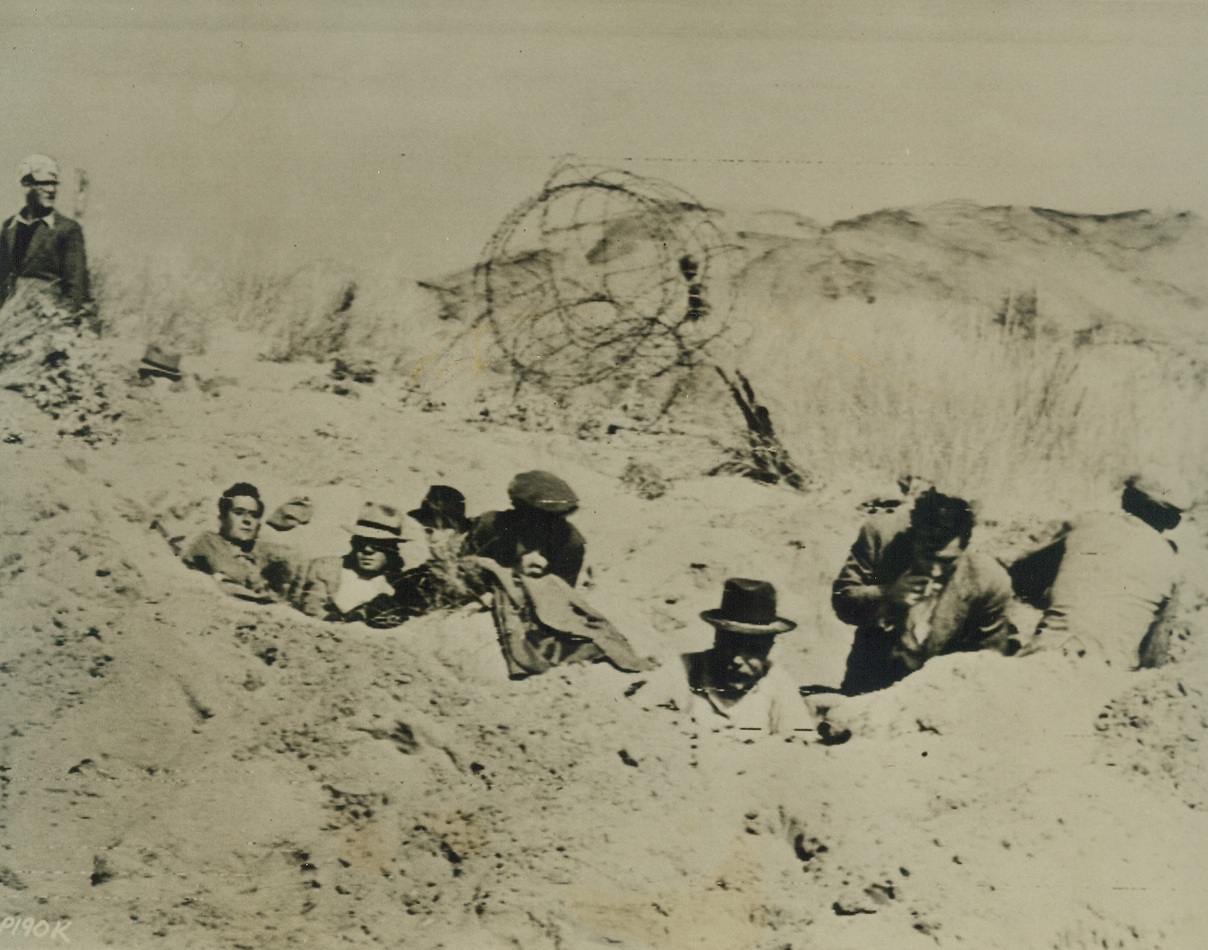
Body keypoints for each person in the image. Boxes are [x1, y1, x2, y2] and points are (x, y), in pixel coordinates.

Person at [832, 487, 1014, 695]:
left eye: (947, 561)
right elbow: (842, 601)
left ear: (964, 548)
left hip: (940, 695)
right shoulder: (880, 538)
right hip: (869, 683)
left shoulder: (989, 581)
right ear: (913, 538)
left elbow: (986, 664)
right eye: (927, 556)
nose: (935, 570)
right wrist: (887, 596)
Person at [1012, 473, 1192, 668]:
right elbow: (1154, 656)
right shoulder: (1172, 563)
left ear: (1125, 499)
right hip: (1107, 674)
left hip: (1044, 654)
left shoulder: (1086, 524)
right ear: (1174, 522)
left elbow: (1021, 578)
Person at [635, 578, 813, 740]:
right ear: (717, 638)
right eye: (730, 644)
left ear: (767, 649)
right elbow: (631, 718)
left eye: (751, 649)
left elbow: (800, 745)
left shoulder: (778, 682)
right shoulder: (683, 668)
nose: (736, 659)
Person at [289, 503, 423, 627]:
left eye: (377, 545)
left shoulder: (398, 586)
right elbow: (311, 606)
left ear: (391, 551)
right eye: (361, 543)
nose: (367, 551)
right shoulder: (327, 570)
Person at [0, 154, 90, 316]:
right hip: (12, 317)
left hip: (48, 319)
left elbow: (76, 287)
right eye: (44, 183)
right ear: (27, 185)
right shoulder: (9, 228)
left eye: (54, 183)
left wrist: (62, 319)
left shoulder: (67, 229)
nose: (51, 190)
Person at [463, 471, 585, 586]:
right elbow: (463, 568)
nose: (543, 522)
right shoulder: (493, 525)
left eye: (553, 517)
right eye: (533, 514)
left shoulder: (570, 543)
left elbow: (561, 596)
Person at [182, 483, 294, 601]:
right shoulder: (207, 543)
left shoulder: (265, 551)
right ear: (222, 519)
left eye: (254, 515)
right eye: (239, 513)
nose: (247, 520)